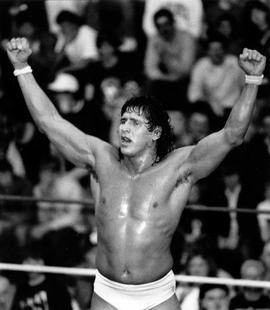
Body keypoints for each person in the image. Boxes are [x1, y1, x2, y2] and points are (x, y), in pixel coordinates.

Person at [5, 37, 265, 310]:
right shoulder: (100, 159)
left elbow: (232, 135)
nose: (124, 128)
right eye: (123, 121)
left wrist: (253, 80)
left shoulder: (178, 167)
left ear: (155, 133)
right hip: (108, 291)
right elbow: (49, 122)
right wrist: (22, 68)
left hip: (156, 294)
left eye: (135, 123)